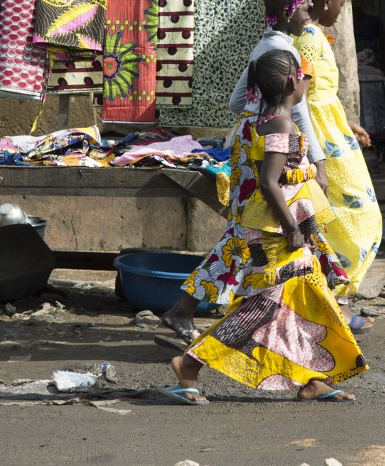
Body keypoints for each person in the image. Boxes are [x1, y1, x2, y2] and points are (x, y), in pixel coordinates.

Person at [154, 49, 367, 404]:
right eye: (303, 75)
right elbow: (269, 182)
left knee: (307, 297)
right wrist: (292, 228)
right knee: (265, 304)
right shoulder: (282, 126)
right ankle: (189, 363)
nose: (305, 81)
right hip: (274, 233)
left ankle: (314, 378)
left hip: (267, 228)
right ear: (290, 81)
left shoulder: (251, 124)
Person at [160, 0, 327, 343]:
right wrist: (318, 159)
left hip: (247, 151)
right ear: (287, 12)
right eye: (304, 9)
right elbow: (300, 114)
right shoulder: (288, 54)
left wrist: (259, 117)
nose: (308, 16)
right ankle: (238, 321)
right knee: (257, 238)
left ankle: (217, 315)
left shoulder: (262, 46)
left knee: (244, 238)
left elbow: (238, 103)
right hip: (268, 155)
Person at [296, 0, 384, 332]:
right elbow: (300, 99)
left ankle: (336, 300)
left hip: (333, 132)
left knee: (349, 217)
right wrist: (313, 150)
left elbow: (323, 93)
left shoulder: (318, 36)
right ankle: (336, 302)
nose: (342, 11)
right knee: (351, 218)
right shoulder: (310, 41)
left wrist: (347, 123)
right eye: (341, 3)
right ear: (325, 0)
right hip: (321, 142)